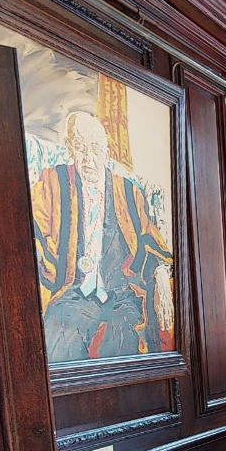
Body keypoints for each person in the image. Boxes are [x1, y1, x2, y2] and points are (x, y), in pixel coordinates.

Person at [31, 111, 174, 362]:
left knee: (123, 338)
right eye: (81, 147)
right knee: (60, 334)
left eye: (96, 149)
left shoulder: (128, 192)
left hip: (121, 292)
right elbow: (33, 230)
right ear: (70, 149)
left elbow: (148, 239)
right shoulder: (51, 183)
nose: (89, 158)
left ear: (106, 153)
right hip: (72, 290)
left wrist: (162, 272)